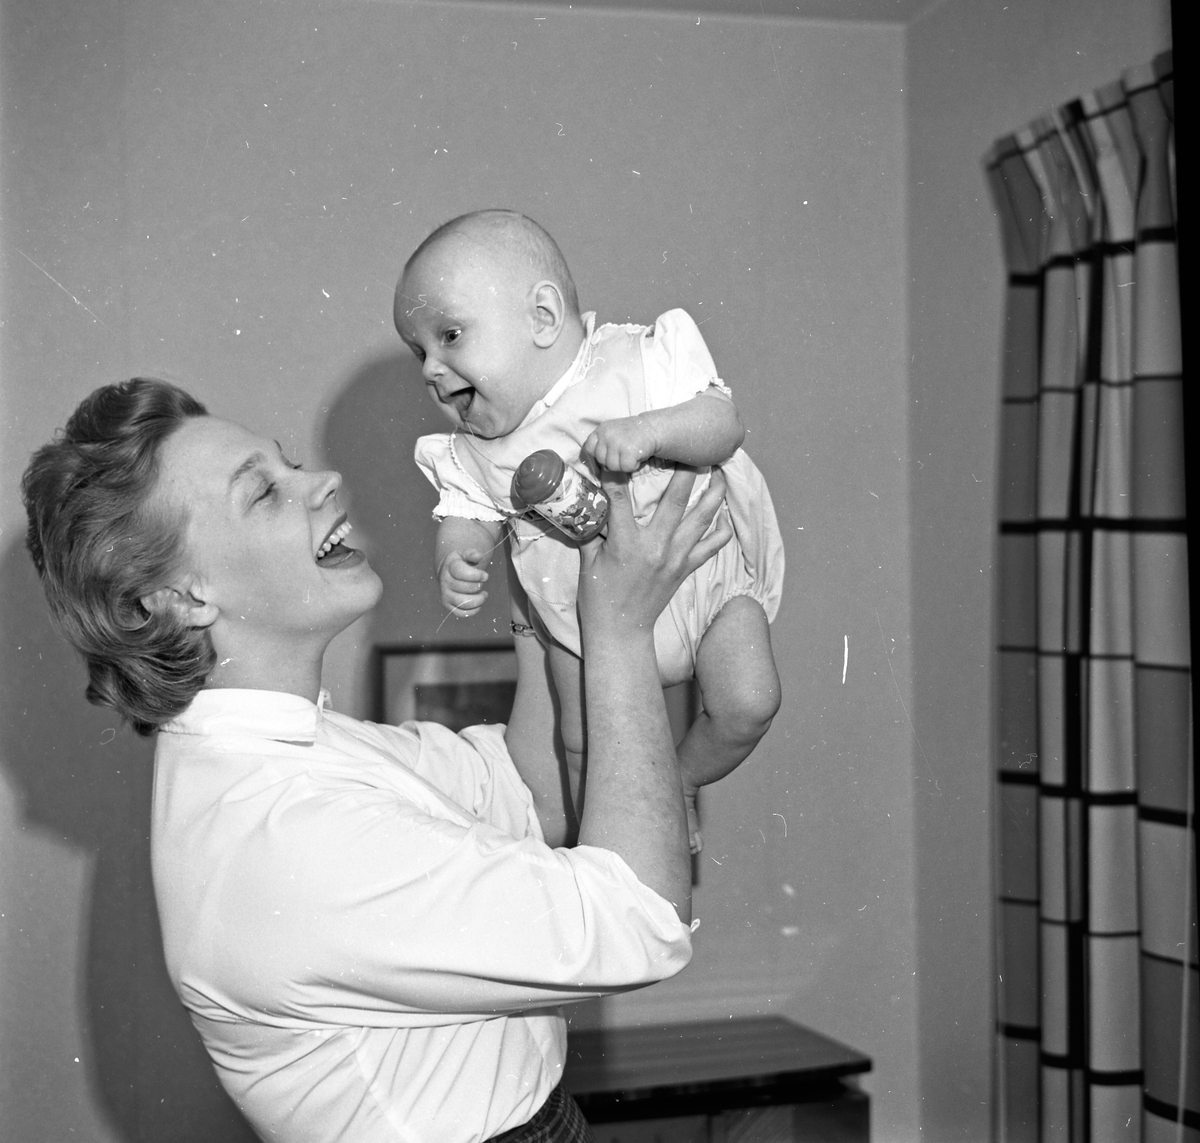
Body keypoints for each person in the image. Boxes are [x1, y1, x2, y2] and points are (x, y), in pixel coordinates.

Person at [21, 377, 733, 1143]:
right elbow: (642, 921)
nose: (322, 480)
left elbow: (529, 789)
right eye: (263, 491)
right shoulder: (285, 835)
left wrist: (538, 562)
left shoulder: (282, 754)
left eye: (290, 463)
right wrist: (620, 629)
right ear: (179, 597)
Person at [396, 210, 784, 851]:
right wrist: (457, 558)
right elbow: (465, 516)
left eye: (451, 335)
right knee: (581, 745)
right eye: (421, 353)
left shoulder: (637, 362)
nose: (431, 369)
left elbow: (724, 425)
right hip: (581, 627)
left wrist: (652, 430)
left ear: (543, 317)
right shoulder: (476, 452)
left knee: (750, 702)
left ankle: (683, 780)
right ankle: (603, 848)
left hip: (706, 590)